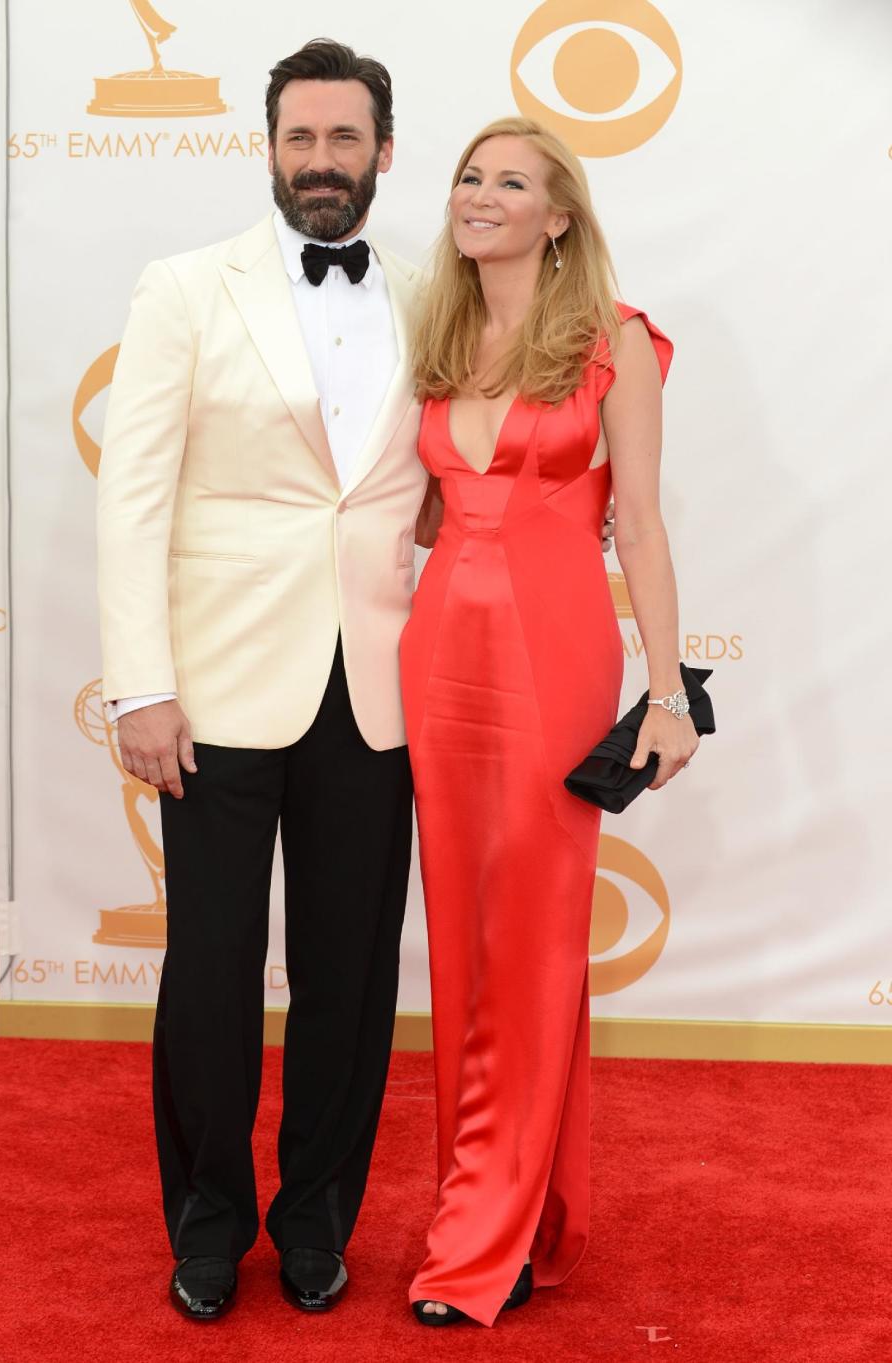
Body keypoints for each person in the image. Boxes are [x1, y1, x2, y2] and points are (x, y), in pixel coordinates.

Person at [97, 38, 429, 1324]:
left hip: (378, 685)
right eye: (302, 139)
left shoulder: (428, 293)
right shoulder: (186, 288)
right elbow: (133, 500)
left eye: (347, 141)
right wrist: (140, 684)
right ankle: (206, 1226)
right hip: (216, 689)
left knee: (350, 978)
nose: (323, 163)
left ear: (382, 153)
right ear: (270, 148)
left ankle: (315, 1224)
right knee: (213, 971)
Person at [399, 117, 698, 1327]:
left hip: (554, 650)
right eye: (471, 177)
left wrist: (670, 694)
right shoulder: (434, 332)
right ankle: (524, 1212)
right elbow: (416, 512)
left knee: (530, 938)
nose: (481, 196)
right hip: (438, 657)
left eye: (511, 183)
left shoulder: (614, 339)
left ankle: (478, 1240)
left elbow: (640, 525)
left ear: (559, 215)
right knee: (467, 946)